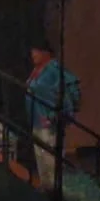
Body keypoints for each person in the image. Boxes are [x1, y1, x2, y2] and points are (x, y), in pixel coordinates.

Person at [26, 39, 80, 191]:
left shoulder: (53, 71)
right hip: (36, 121)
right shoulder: (37, 70)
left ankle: (55, 193)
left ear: (46, 53)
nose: (33, 54)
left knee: (51, 162)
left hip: (48, 124)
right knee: (41, 161)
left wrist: (53, 117)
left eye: (36, 51)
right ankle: (46, 191)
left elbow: (65, 97)